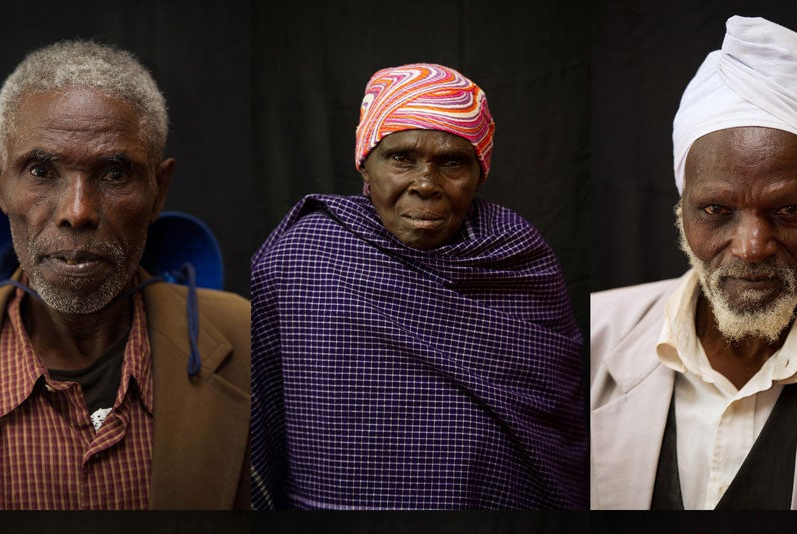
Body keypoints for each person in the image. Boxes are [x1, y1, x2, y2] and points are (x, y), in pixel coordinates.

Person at [589, 17, 797, 510]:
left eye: (788, 210)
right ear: (681, 209)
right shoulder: (592, 339)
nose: (751, 247)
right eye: (717, 211)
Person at [0, 41, 250, 510]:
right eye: (41, 169)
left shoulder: (248, 341)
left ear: (159, 190)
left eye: (114, 173)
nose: (78, 211)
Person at [250, 62, 587, 510]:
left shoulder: (517, 254)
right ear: (365, 166)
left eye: (451, 163)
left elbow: (558, 423)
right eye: (401, 159)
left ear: (479, 173)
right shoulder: (303, 256)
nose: (426, 185)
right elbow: (258, 412)